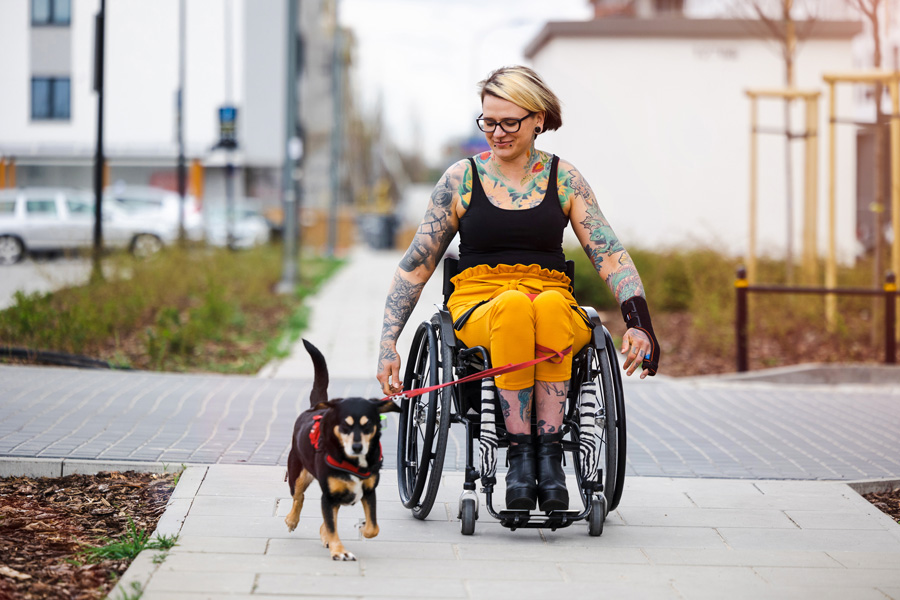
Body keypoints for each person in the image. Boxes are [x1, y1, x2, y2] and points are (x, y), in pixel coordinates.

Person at [377, 65, 659, 513]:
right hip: (479, 304)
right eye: (488, 121)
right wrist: (389, 343)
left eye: (509, 122)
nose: (497, 132)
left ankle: (548, 460)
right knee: (512, 305)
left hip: (550, 296)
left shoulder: (564, 179)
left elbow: (610, 254)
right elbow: (416, 266)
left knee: (546, 305)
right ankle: (520, 456)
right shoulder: (461, 179)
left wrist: (640, 324)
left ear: (539, 120)